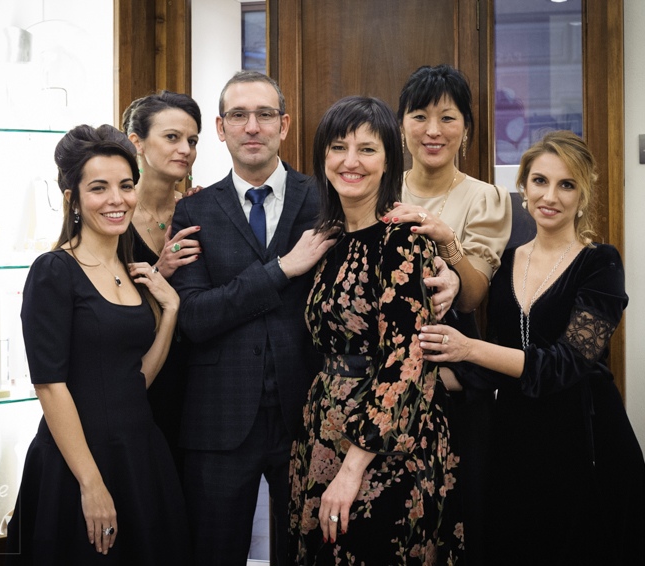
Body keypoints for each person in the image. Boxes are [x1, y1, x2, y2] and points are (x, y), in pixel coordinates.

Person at [170, 72, 460, 565]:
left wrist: (447, 266)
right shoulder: (197, 210)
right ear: (221, 127)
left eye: (265, 114)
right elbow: (193, 316)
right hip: (238, 423)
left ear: (284, 125)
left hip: (323, 416)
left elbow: (402, 331)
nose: (252, 126)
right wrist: (282, 268)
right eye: (238, 115)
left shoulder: (326, 201)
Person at [419, 131, 645, 566]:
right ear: (524, 188)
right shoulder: (507, 263)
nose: (550, 196)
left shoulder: (601, 263)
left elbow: (566, 363)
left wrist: (467, 349)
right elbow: (492, 365)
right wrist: (414, 378)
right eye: (540, 181)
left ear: (583, 194)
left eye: (566, 184)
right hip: (516, 445)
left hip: (588, 445)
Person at [288, 96, 464, 565]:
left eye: (366, 149)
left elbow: (408, 360)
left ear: (388, 161)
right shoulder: (328, 239)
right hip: (324, 432)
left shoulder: (402, 238)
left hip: (387, 445)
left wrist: (352, 467)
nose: (350, 161)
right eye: (338, 147)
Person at [6, 124, 190, 563]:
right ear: (72, 198)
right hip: (78, 462)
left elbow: (136, 379)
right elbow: (50, 386)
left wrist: (170, 312)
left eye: (126, 186)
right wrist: (91, 484)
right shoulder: (53, 271)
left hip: (139, 455)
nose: (116, 199)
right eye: (99, 188)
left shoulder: (132, 269)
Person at [389, 63, 512, 563]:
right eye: (419, 116)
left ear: (467, 128)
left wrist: (446, 241)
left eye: (448, 117)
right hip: (387, 387)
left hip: (454, 387)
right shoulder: (379, 188)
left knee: (456, 528)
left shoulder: (485, 197)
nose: (433, 130)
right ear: (401, 125)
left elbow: (473, 294)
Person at [121, 90, 203, 466]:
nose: (185, 149)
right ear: (137, 142)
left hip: (194, 382)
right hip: (136, 376)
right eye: (172, 137)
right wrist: (160, 271)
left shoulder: (199, 209)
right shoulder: (114, 216)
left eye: (192, 140)